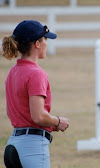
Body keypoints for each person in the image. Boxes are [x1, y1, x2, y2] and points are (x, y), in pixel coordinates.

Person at [2, 20, 70, 168]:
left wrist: (50, 124)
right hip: (32, 148)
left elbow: (12, 112)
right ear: (37, 44)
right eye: (45, 39)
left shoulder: (13, 72)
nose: (47, 43)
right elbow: (38, 116)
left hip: (13, 145)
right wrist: (57, 121)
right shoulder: (36, 74)